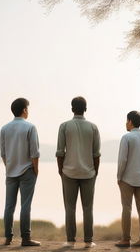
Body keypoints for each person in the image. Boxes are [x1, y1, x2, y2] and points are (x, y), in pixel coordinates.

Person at [56, 96, 101, 249]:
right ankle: (88, 241)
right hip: (89, 173)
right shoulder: (93, 127)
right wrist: (95, 172)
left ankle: (70, 240)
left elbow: (60, 153)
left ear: (72, 109)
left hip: (68, 172)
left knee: (70, 207)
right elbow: (96, 154)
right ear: (85, 109)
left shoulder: (64, 126)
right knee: (88, 207)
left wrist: (61, 171)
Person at [0, 98, 40, 247]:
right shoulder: (30, 127)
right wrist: (36, 170)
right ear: (24, 110)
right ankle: (25, 238)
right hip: (27, 171)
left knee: (9, 206)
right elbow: (35, 153)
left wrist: (9, 167)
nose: (28, 111)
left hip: (10, 172)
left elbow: (3, 153)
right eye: (27, 108)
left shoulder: (4, 128)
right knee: (25, 205)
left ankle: (7, 238)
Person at [115, 111, 140, 248]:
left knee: (127, 208)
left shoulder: (126, 138)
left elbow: (122, 160)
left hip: (127, 179)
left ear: (131, 121)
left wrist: (119, 177)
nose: (126, 123)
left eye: (127, 121)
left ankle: (126, 239)